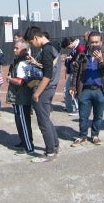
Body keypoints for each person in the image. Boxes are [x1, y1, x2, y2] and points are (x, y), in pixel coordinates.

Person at [23, 26, 61, 163]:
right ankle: (55, 144)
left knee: (43, 121)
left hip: (45, 89)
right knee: (46, 118)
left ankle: (49, 151)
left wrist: (37, 93)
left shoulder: (46, 50)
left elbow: (47, 75)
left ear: (35, 37)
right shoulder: (53, 48)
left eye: (31, 43)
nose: (32, 45)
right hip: (51, 87)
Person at [71, 31, 104, 147]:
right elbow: (76, 72)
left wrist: (101, 60)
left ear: (101, 42)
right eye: (92, 42)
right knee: (83, 115)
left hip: (100, 89)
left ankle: (95, 135)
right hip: (85, 89)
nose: (94, 44)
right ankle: (82, 135)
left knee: (98, 115)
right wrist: (73, 86)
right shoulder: (83, 54)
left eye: (96, 42)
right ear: (88, 43)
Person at [6, 38, 35, 154]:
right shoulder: (19, 61)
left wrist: (9, 79)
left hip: (21, 97)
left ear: (24, 50)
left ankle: (28, 146)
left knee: (23, 122)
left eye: (17, 48)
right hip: (18, 96)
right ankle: (23, 141)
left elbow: (19, 81)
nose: (14, 50)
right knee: (19, 121)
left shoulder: (23, 63)